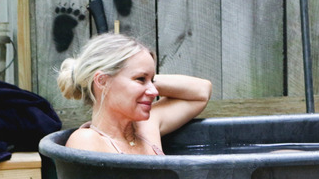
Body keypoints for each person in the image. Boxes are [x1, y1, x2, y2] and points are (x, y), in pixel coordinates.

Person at [57, 33, 212, 154]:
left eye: (152, 80)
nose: (154, 91)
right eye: (140, 79)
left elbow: (201, 91)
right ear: (102, 81)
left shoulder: (147, 125)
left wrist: (145, 79)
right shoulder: (87, 141)